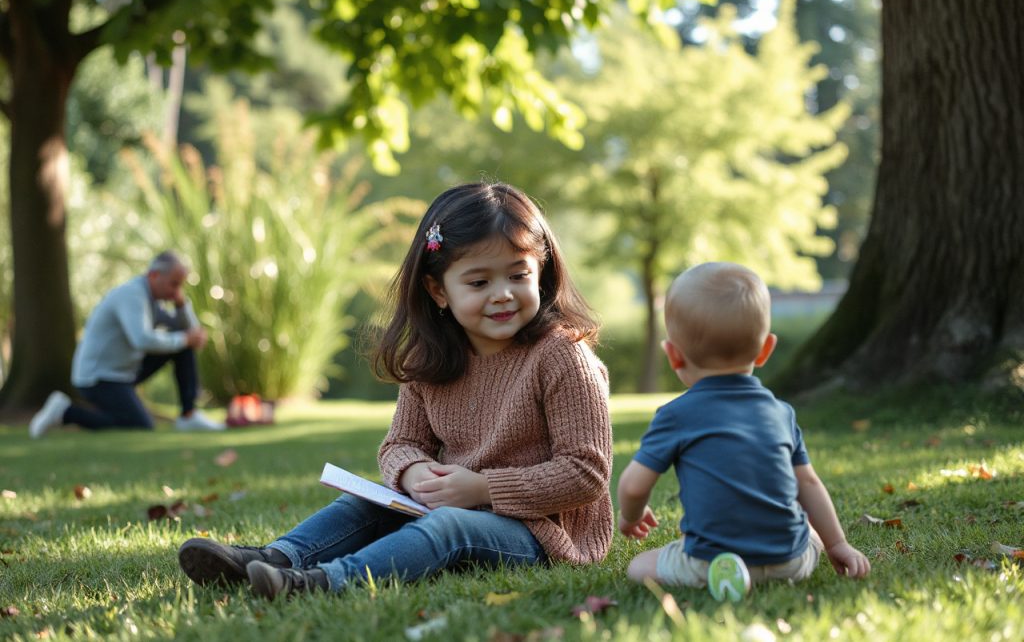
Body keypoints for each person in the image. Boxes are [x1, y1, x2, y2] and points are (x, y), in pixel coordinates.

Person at [177, 182, 614, 599]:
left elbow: (586, 472)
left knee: (447, 528)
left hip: (542, 533)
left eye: (518, 275)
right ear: (438, 290)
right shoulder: (432, 360)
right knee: (363, 505)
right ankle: (275, 557)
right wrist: (412, 474)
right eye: (479, 283)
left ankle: (324, 583)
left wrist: (482, 489)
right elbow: (401, 444)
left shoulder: (562, 355)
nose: (502, 295)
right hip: (455, 506)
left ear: (540, 274)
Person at [617, 262, 869, 599]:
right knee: (808, 530)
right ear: (766, 349)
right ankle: (782, 560)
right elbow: (807, 483)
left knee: (639, 567)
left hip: (708, 561)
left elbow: (633, 486)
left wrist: (631, 517)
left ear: (673, 355)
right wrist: (838, 544)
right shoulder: (780, 412)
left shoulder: (676, 415)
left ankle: (728, 573)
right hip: (790, 561)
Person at [28, 251, 223, 437]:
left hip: (125, 371)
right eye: (174, 285)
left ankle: (188, 415)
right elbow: (141, 340)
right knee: (140, 424)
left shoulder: (157, 301)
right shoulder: (132, 295)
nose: (176, 291)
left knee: (182, 344)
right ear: (154, 275)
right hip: (97, 377)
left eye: (180, 286)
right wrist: (185, 338)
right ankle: (65, 412)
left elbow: (193, 335)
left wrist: (182, 305)